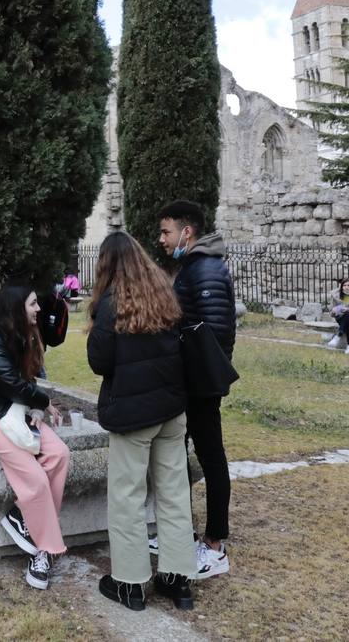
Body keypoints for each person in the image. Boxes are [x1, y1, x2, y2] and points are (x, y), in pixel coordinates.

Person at [86, 231, 196, 612]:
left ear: (106, 265)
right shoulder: (164, 293)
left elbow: (99, 361)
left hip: (134, 413)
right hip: (170, 409)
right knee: (174, 493)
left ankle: (130, 583)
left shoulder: (112, 303)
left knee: (127, 498)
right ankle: (178, 580)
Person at [0, 283, 69, 591]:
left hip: (18, 414)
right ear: (16, 307)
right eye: (33, 304)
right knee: (35, 480)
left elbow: (26, 378)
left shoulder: (26, 335)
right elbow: (9, 382)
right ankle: (45, 551)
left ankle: (20, 516)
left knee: (59, 454)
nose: (39, 309)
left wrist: (35, 410)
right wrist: (44, 402)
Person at [157, 200, 233, 580]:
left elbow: (213, 333)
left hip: (201, 383)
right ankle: (179, 532)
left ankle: (216, 545)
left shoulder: (203, 269)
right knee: (175, 453)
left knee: (211, 457)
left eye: (166, 231)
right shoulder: (194, 267)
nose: (161, 239)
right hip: (191, 380)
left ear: (187, 232)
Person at [326, 278, 349, 354]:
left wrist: (348, 309)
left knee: (348, 314)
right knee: (347, 317)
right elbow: (331, 312)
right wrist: (334, 311)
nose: (347, 287)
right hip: (341, 318)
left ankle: (338, 335)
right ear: (341, 287)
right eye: (345, 285)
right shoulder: (336, 296)